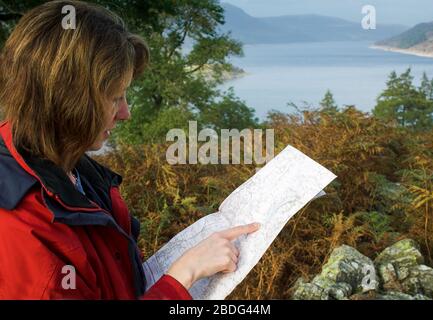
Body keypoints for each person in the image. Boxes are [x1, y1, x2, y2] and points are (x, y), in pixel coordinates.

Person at [0, 0, 259, 300]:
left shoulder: (70, 166)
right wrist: (183, 275)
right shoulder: (27, 236)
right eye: (114, 97)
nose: (125, 113)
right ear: (68, 101)